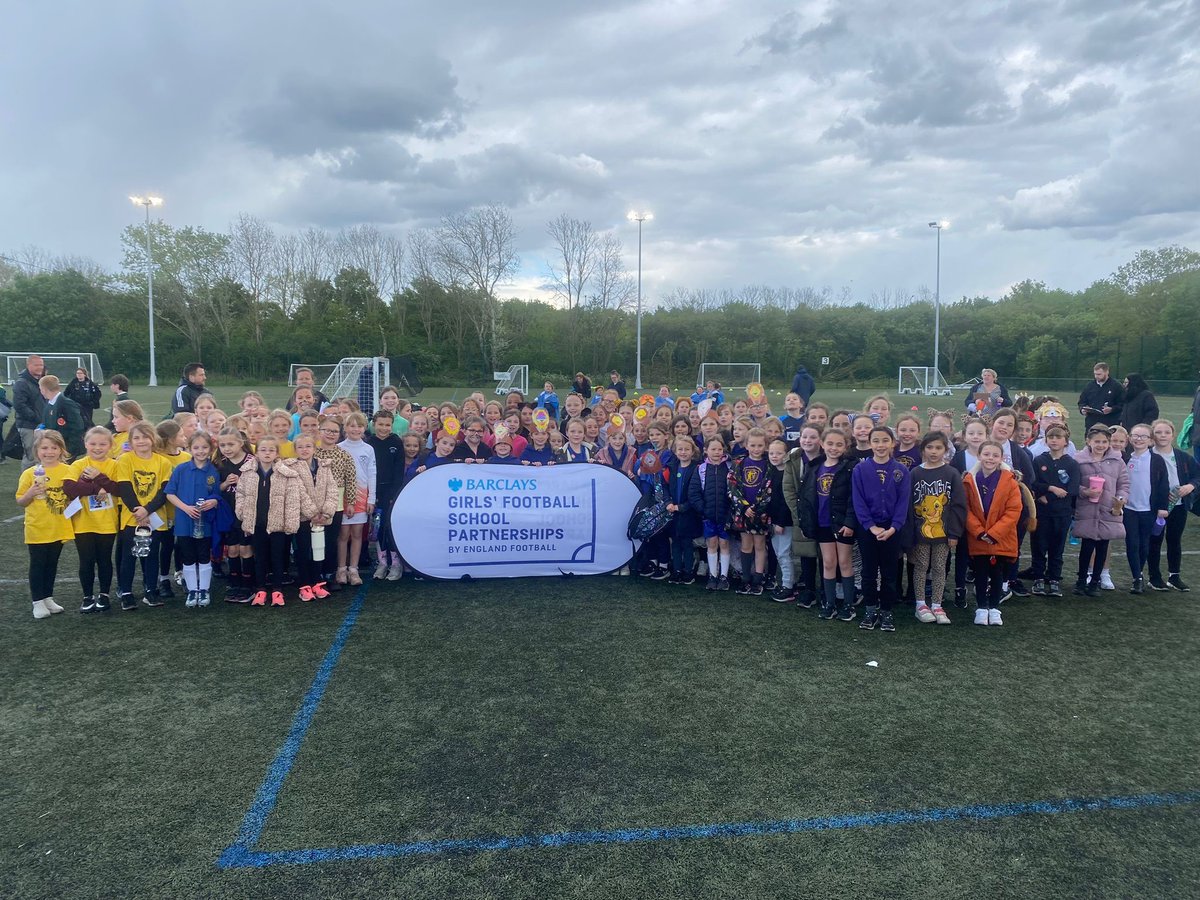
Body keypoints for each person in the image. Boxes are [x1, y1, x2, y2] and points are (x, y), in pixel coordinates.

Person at [236, 436, 312, 606]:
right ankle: (261, 589)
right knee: (260, 558)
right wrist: (243, 515)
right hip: (257, 524)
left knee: (277, 558)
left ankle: (277, 590)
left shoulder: (286, 473)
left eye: (271, 450)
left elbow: (293, 500)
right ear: (257, 452)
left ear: (277, 453)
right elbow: (240, 494)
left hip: (277, 526)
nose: (267, 453)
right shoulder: (248, 473)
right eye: (263, 450)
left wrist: (291, 523)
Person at [852, 426, 911, 632]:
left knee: (889, 572)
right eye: (875, 441)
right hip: (869, 530)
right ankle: (870, 610)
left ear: (892, 443)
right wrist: (871, 527)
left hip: (891, 531)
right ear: (869, 444)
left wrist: (894, 527)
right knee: (868, 571)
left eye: (885, 440)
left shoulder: (901, 470)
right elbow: (858, 501)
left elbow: (903, 503)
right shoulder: (860, 469)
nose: (880, 445)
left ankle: (886, 611)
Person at [113, 421, 175, 611]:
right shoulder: (125, 460)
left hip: (154, 517)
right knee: (129, 556)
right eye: (136, 438)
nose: (141, 441)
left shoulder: (163, 462)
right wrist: (138, 510)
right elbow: (125, 488)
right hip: (132, 518)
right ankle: (126, 593)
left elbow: (164, 491)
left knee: (151, 556)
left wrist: (147, 510)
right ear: (130, 441)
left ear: (153, 439)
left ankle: (151, 591)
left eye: (145, 437)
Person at [963, 441, 1023, 626]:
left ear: (1001, 458)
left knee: (998, 574)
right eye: (986, 454)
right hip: (979, 537)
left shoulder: (1010, 482)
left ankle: (995, 608)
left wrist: (995, 533)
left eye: (995, 455)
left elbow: (1013, 510)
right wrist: (980, 532)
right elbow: (965, 509)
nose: (990, 458)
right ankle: (981, 607)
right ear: (979, 456)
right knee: (980, 573)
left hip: (1001, 538)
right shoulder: (969, 480)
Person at [908, 431, 966, 625]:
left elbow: (958, 505)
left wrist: (955, 533)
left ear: (945, 450)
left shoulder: (951, 473)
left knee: (940, 567)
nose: (934, 452)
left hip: (943, 534)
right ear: (923, 449)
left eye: (938, 448)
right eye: (930, 447)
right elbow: (908, 505)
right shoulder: (915, 473)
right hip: (920, 533)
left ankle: (937, 604)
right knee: (921, 566)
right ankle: (920, 604)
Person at [62, 427, 121, 612]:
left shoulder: (115, 465)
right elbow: (70, 488)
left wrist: (99, 477)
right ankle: (87, 596)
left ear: (110, 446)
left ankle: (104, 595)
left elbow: (119, 488)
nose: (97, 448)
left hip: (107, 522)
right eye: (93, 444)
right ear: (85, 444)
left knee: (104, 559)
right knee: (86, 560)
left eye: (103, 444)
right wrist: (96, 488)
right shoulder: (79, 464)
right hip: (83, 522)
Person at [16, 431, 74, 619]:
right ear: (37, 451)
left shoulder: (68, 471)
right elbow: (21, 501)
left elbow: (74, 494)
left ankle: (48, 597)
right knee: (38, 564)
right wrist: (31, 493)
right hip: (37, 527)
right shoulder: (29, 473)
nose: (49, 452)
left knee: (52, 563)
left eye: (54, 448)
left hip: (59, 526)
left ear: (61, 450)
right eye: (44, 448)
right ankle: (37, 601)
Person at [165, 432, 222, 608]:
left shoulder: (213, 471)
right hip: (183, 521)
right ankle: (192, 591)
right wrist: (185, 508)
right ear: (188, 449)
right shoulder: (181, 469)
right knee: (188, 556)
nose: (200, 451)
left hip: (204, 522)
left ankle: (204, 589)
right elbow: (170, 493)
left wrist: (213, 501)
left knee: (204, 555)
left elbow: (216, 494)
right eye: (196, 448)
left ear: (211, 449)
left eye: (204, 447)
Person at [1073, 426, 1129, 596]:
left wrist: (1120, 500)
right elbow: (1073, 483)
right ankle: (1081, 580)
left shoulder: (1117, 461)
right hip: (1087, 509)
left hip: (1108, 510)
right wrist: (1085, 491)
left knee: (1103, 545)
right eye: (1097, 441)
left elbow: (1124, 484)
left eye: (1104, 441)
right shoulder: (1078, 460)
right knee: (1087, 545)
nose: (1101, 445)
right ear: (1088, 442)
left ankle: (1095, 581)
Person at [1029, 423, 1080, 597]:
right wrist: (1050, 489)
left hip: (1062, 513)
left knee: (1057, 548)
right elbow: (1034, 484)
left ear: (1066, 441)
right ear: (1046, 440)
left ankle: (1054, 579)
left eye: (1058, 437)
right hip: (1042, 512)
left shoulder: (1072, 463)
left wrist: (1047, 495)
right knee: (1039, 546)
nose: (1054, 440)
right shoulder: (1039, 460)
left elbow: (1071, 490)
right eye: (1051, 437)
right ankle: (1038, 579)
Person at [1148, 418, 1198, 592]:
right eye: (1158, 432)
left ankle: (1174, 576)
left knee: (1174, 540)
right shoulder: (1147, 455)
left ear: (1173, 435)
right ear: (1152, 435)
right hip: (1155, 507)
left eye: (1167, 432)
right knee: (1154, 540)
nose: (1163, 436)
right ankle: (1154, 577)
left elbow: (1196, 475)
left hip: (1178, 505)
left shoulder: (1183, 457)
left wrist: (1190, 486)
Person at [1122, 424, 1169, 594]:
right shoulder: (1125, 458)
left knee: (1144, 545)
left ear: (1150, 441)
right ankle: (1137, 578)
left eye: (1143, 436)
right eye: (1135, 435)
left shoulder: (1156, 460)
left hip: (1148, 510)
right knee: (1132, 543)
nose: (1138, 439)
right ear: (1129, 438)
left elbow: (1164, 485)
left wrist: (1163, 507)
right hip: (1129, 509)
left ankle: (1139, 573)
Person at [293, 433, 339, 601]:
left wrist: (325, 512)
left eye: (308, 446)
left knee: (318, 550)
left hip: (322, 519)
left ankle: (317, 582)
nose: (304, 450)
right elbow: (299, 493)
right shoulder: (292, 468)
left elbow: (332, 490)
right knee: (304, 551)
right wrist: (313, 514)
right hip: (303, 519)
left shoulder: (324, 467)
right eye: (300, 447)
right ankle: (304, 585)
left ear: (314, 448)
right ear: (295, 450)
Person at [730, 427, 772, 595]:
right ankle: (745, 578)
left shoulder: (769, 464)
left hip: (761, 513)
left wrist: (757, 508)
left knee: (760, 545)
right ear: (746, 445)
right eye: (752, 445)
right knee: (746, 545)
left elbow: (769, 488)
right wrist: (744, 507)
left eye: (760, 445)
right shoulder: (739, 462)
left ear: (765, 446)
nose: (756, 449)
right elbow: (732, 486)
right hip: (743, 512)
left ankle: (758, 579)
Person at [337, 412, 377, 587]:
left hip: (362, 497)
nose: (355, 429)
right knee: (343, 534)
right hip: (342, 497)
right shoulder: (338, 448)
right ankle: (341, 569)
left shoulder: (368, 449)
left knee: (357, 534)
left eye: (359, 426)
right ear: (345, 428)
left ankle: (354, 569)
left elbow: (371, 474)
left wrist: (371, 498)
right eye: (351, 425)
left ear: (364, 428)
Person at [689, 435, 732, 591]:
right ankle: (713, 576)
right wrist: (704, 510)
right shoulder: (701, 469)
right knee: (712, 544)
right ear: (706, 450)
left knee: (724, 544)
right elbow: (693, 493)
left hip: (725, 515)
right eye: (713, 449)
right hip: (708, 516)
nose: (717, 452)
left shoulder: (729, 467)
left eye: (719, 449)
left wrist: (730, 512)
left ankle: (724, 577)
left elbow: (735, 491)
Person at [367, 409, 405, 580]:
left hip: (391, 492)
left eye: (387, 425)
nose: (384, 428)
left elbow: (399, 471)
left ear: (392, 425)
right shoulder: (369, 443)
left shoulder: (396, 442)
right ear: (374, 425)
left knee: (391, 527)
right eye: (380, 424)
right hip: (374, 492)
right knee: (378, 528)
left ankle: (396, 564)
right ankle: (382, 563)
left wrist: (395, 494)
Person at [663, 435, 701, 584]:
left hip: (688, 514)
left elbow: (697, 493)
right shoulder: (671, 467)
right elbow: (664, 487)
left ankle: (688, 572)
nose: (683, 452)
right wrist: (668, 503)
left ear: (693, 451)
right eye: (680, 449)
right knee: (675, 542)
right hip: (673, 512)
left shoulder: (696, 468)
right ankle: (677, 570)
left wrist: (682, 507)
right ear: (675, 451)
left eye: (687, 449)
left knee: (687, 543)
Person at [765, 439, 796, 601]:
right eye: (771, 453)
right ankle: (787, 583)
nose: (775, 456)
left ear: (786, 454)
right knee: (779, 553)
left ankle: (787, 586)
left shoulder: (787, 473)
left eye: (779, 453)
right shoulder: (772, 471)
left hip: (784, 522)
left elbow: (786, 501)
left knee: (784, 554)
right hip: (774, 520)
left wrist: (781, 522)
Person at [13, 354, 47, 468]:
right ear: (28, 365)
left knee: (40, 455)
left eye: (41, 365)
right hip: (28, 425)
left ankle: (39, 481)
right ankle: (27, 484)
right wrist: (36, 417)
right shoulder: (22, 383)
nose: (40, 367)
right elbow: (19, 405)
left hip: (40, 425)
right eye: (36, 365)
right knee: (31, 457)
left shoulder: (40, 381)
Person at [39, 375, 85, 458]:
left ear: (44, 389)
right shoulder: (49, 404)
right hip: (54, 448)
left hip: (65, 449)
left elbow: (78, 427)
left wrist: (68, 450)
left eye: (40, 388)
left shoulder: (66, 403)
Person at [1078, 362, 1123, 430]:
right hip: (1091, 423)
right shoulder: (1089, 386)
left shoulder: (1116, 386)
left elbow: (1122, 404)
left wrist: (1112, 409)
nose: (1096, 376)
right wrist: (1083, 409)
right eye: (1095, 374)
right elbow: (1082, 402)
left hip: (1109, 423)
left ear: (1107, 372)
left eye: (1099, 374)